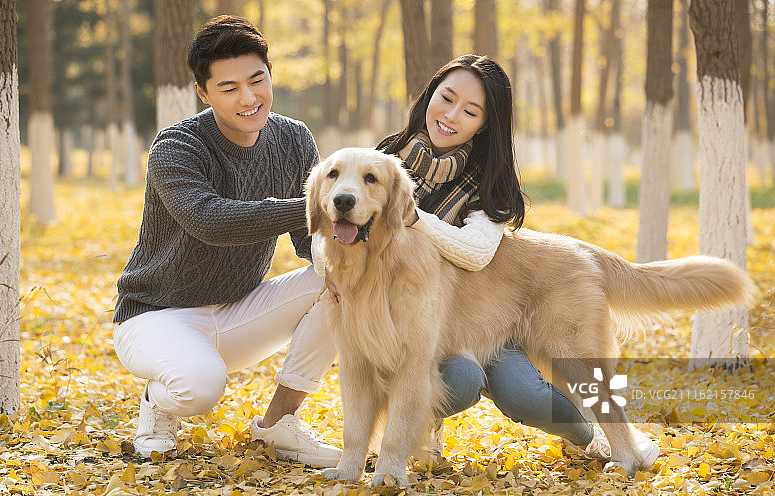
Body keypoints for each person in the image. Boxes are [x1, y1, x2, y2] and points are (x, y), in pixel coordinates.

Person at [308, 54, 613, 462]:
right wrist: (322, 261)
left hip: (489, 313)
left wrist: (412, 217)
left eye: (470, 111)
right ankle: (417, 440)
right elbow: (327, 216)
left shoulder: (488, 184)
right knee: (460, 377)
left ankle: (589, 435)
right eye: (446, 97)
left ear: (484, 124)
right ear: (428, 95)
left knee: (525, 396)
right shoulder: (379, 159)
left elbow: (475, 252)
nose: (451, 115)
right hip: (427, 326)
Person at [112, 15, 342, 468]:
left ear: (270, 74)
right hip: (156, 316)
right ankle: (159, 406)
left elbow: (307, 238)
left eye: (257, 80)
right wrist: (316, 205)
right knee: (198, 388)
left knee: (341, 280)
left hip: (239, 312)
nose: (249, 98)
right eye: (229, 87)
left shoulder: (295, 139)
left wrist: (338, 255)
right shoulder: (176, 146)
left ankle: (279, 424)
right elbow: (210, 220)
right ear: (204, 92)